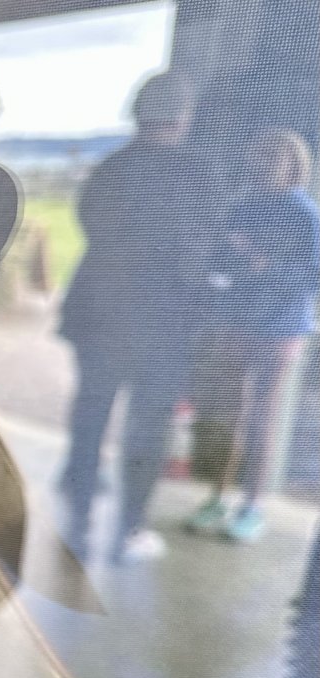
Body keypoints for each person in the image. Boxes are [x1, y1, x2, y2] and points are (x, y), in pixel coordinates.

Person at [58, 72, 220, 563]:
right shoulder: (197, 175)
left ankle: (77, 512)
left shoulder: (111, 168)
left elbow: (92, 226)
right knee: (148, 426)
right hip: (161, 319)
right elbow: (199, 251)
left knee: (91, 412)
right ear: (183, 116)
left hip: (99, 311)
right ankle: (129, 531)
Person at [185, 129, 319, 543]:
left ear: (293, 165)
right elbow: (219, 260)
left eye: (272, 157)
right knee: (230, 415)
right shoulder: (242, 207)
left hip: (278, 329)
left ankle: (252, 506)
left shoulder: (305, 215)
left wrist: (263, 266)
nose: (262, 164)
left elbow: (310, 278)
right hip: (236, 323)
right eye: (258, 156)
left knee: (263, 417)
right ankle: (218, 496)